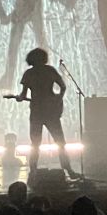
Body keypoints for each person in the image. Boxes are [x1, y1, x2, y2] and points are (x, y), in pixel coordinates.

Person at [14, 47, 79, 181]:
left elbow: (23, 94)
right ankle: (69, 170)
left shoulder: (29, 74)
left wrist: (19, 98)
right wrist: (58, 99)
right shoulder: (49, 70)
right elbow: (63, 86)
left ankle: (33, 172)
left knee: (35, 144)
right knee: (60, 143)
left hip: (37, 112)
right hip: (50, 113)